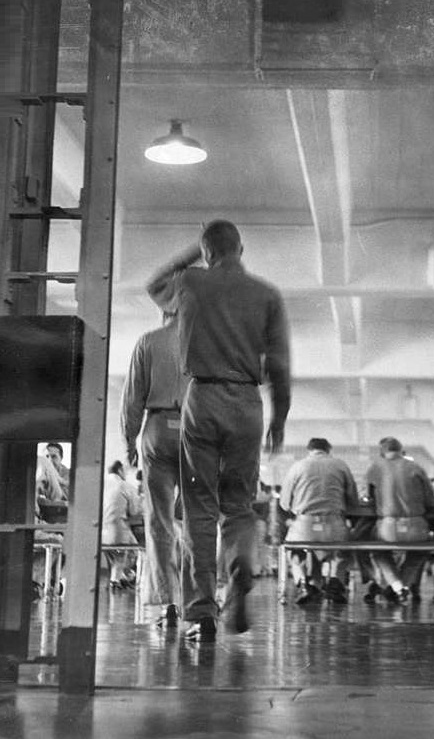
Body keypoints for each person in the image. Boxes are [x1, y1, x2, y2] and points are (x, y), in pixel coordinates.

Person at [146, 219, 291, 643]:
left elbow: (155, 284)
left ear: (208, 252)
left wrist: (197, 252)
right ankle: (240, 565)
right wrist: (279, 417)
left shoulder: (190, 282)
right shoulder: (266, 294)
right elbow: (279, 365)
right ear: (241, 250)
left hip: (203, 399)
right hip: (247, 404)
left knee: (199, 508)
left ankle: (201, 613)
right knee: (239, 505)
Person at [120, 311, 189, 628]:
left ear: (165, 311)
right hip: (197, 430)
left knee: (159, 522)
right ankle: (199, 603)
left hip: (158, 428)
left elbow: (132, 398)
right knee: (197, 520)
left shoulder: (149, 341)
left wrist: (129, 441)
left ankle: (169, 604)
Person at [279, 437, 360, 604]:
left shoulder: (297, 467)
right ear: (328, 449)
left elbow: (285, 503)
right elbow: (353, 500)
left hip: (305, 526)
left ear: (309, 450)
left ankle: (303, 583)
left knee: (295, 551)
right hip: (334, 524)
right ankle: (335, 583)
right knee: (342, 551)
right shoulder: (340, 465)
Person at [365, 436, 434, 604]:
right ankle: (401, 587)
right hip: (416, 526)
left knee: (379, 552)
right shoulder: (416, 467)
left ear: (382, 452)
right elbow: (430, 499)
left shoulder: (375, 468)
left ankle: (396, 586)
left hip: (388, 528)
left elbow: (368, 497)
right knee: (419, 552)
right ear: (401, 451)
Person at [101, 460, 143, 590]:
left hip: (100, 532)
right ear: (120, 471)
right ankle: (118, 580)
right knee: (133, 552)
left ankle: (119, 578)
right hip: (117, 532)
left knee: (115, 557)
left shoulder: (101, 484)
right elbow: (134, 511)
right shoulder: (125, 486)